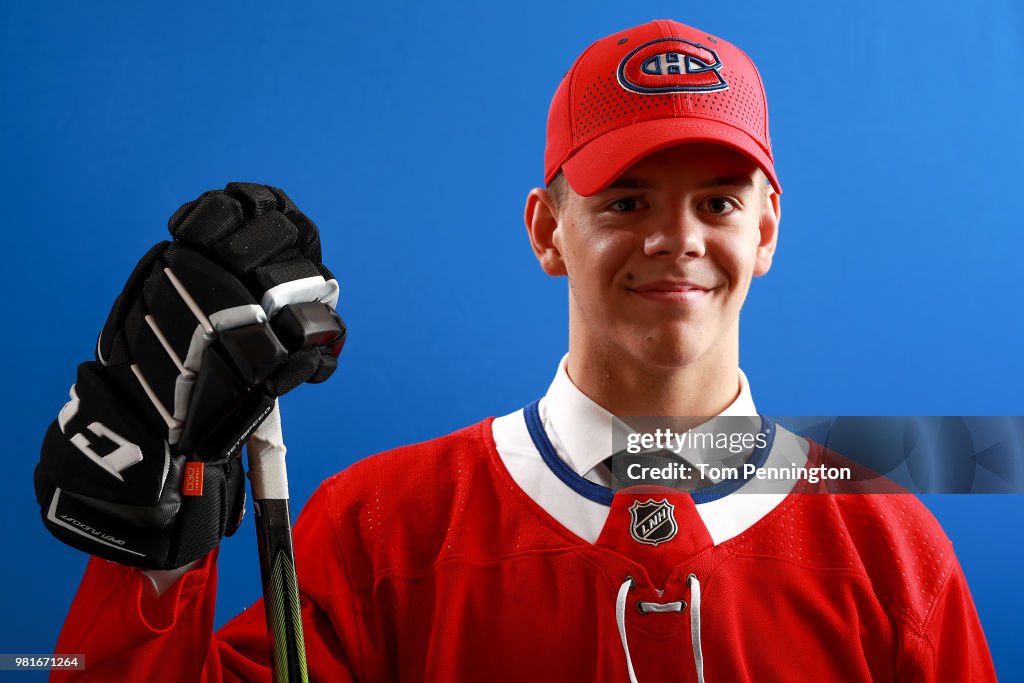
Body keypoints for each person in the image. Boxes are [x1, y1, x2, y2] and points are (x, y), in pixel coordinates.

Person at [41, 18, 996, 681]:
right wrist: (157, 551)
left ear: (768, 229)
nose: (678, 238)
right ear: (547, 230)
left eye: (718, 201)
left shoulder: (893, 550)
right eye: (626, 201)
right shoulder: (378, 532)